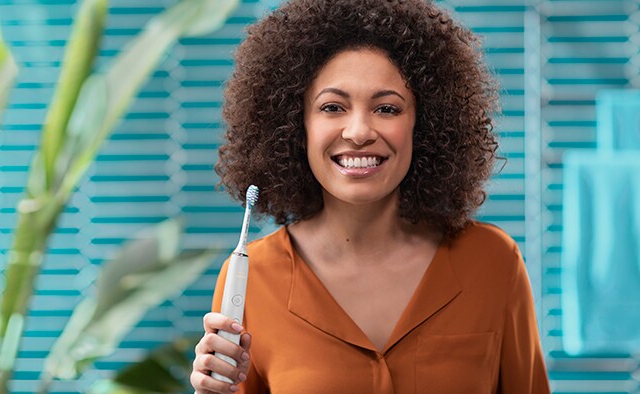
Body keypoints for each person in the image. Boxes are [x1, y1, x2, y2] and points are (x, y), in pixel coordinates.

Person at [190, 0, 551, 392]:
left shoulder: (492, 262)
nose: (359, 131)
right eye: (332, 107)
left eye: (386, 108)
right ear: (298, 125)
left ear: (424, 123)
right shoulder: (251, 278)